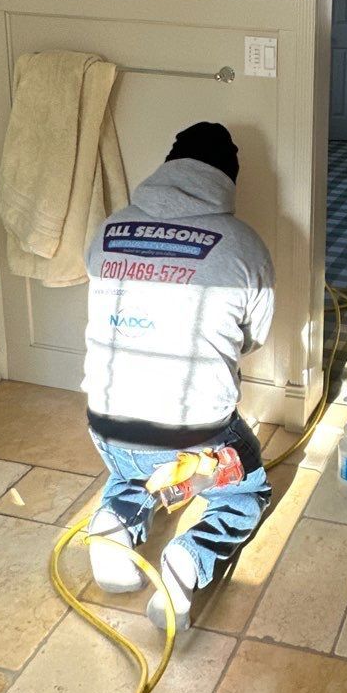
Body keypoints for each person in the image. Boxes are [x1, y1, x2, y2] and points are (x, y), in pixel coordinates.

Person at [82, 121, 274, 631]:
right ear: (227, 181)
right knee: (245, 492)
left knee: (132, 476)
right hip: (195, 437)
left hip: (108, 427)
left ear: (168, 169)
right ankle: (185, 564)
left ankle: (112, 531)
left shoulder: (109, 228)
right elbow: (252, 338)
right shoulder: (243, 244)